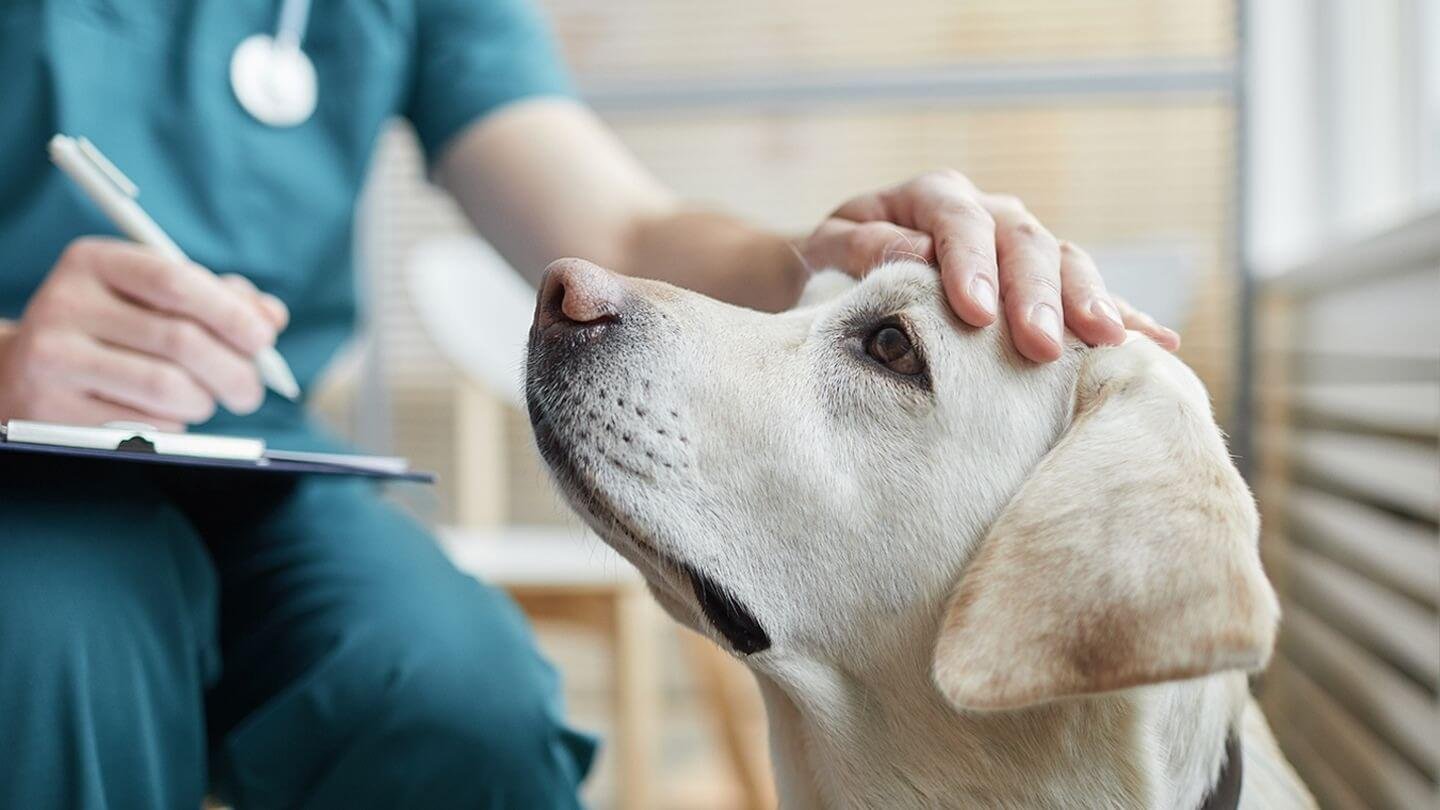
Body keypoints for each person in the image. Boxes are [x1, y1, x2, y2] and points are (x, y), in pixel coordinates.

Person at [0, 1, 1176, 808]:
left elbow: (617, 230)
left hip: (260, 458)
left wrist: (822, 254)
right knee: (50, 649)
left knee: (465, 699)